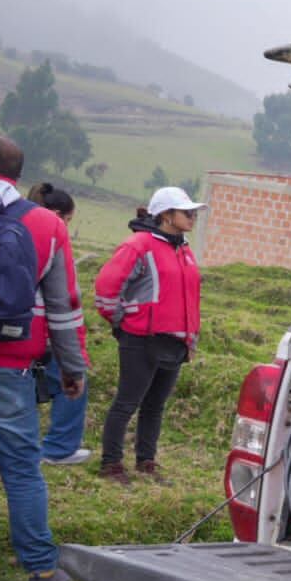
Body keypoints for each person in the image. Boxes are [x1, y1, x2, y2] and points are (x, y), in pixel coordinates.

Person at [0, 134, 89, 581]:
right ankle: (43, 572)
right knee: (22, 469)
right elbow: (64, 307)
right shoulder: (46, 224)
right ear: (17, 175)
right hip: (9, 367)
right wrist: (71, 368)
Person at [94, 188, 205, 484]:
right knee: (127, 402)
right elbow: (107, 289)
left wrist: (190, 339)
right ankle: (111, 464)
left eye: (193, 212)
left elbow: (191, 299)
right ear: (166, 215)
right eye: (187, 212)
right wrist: (122, 323)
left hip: (175, 342)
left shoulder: (185, 250)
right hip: (141, 339)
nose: (193, 217)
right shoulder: (138, 246)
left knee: (155, 405)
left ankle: (146, 461)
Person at [0, 183, 89, 481]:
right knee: (21, 463)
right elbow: (64, 303)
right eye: (68, 220)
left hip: (5, 335)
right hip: (30, 338)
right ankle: (57, 447)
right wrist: (75, 362)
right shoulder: (46, 232)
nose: (68, 226)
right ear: (57, 215)